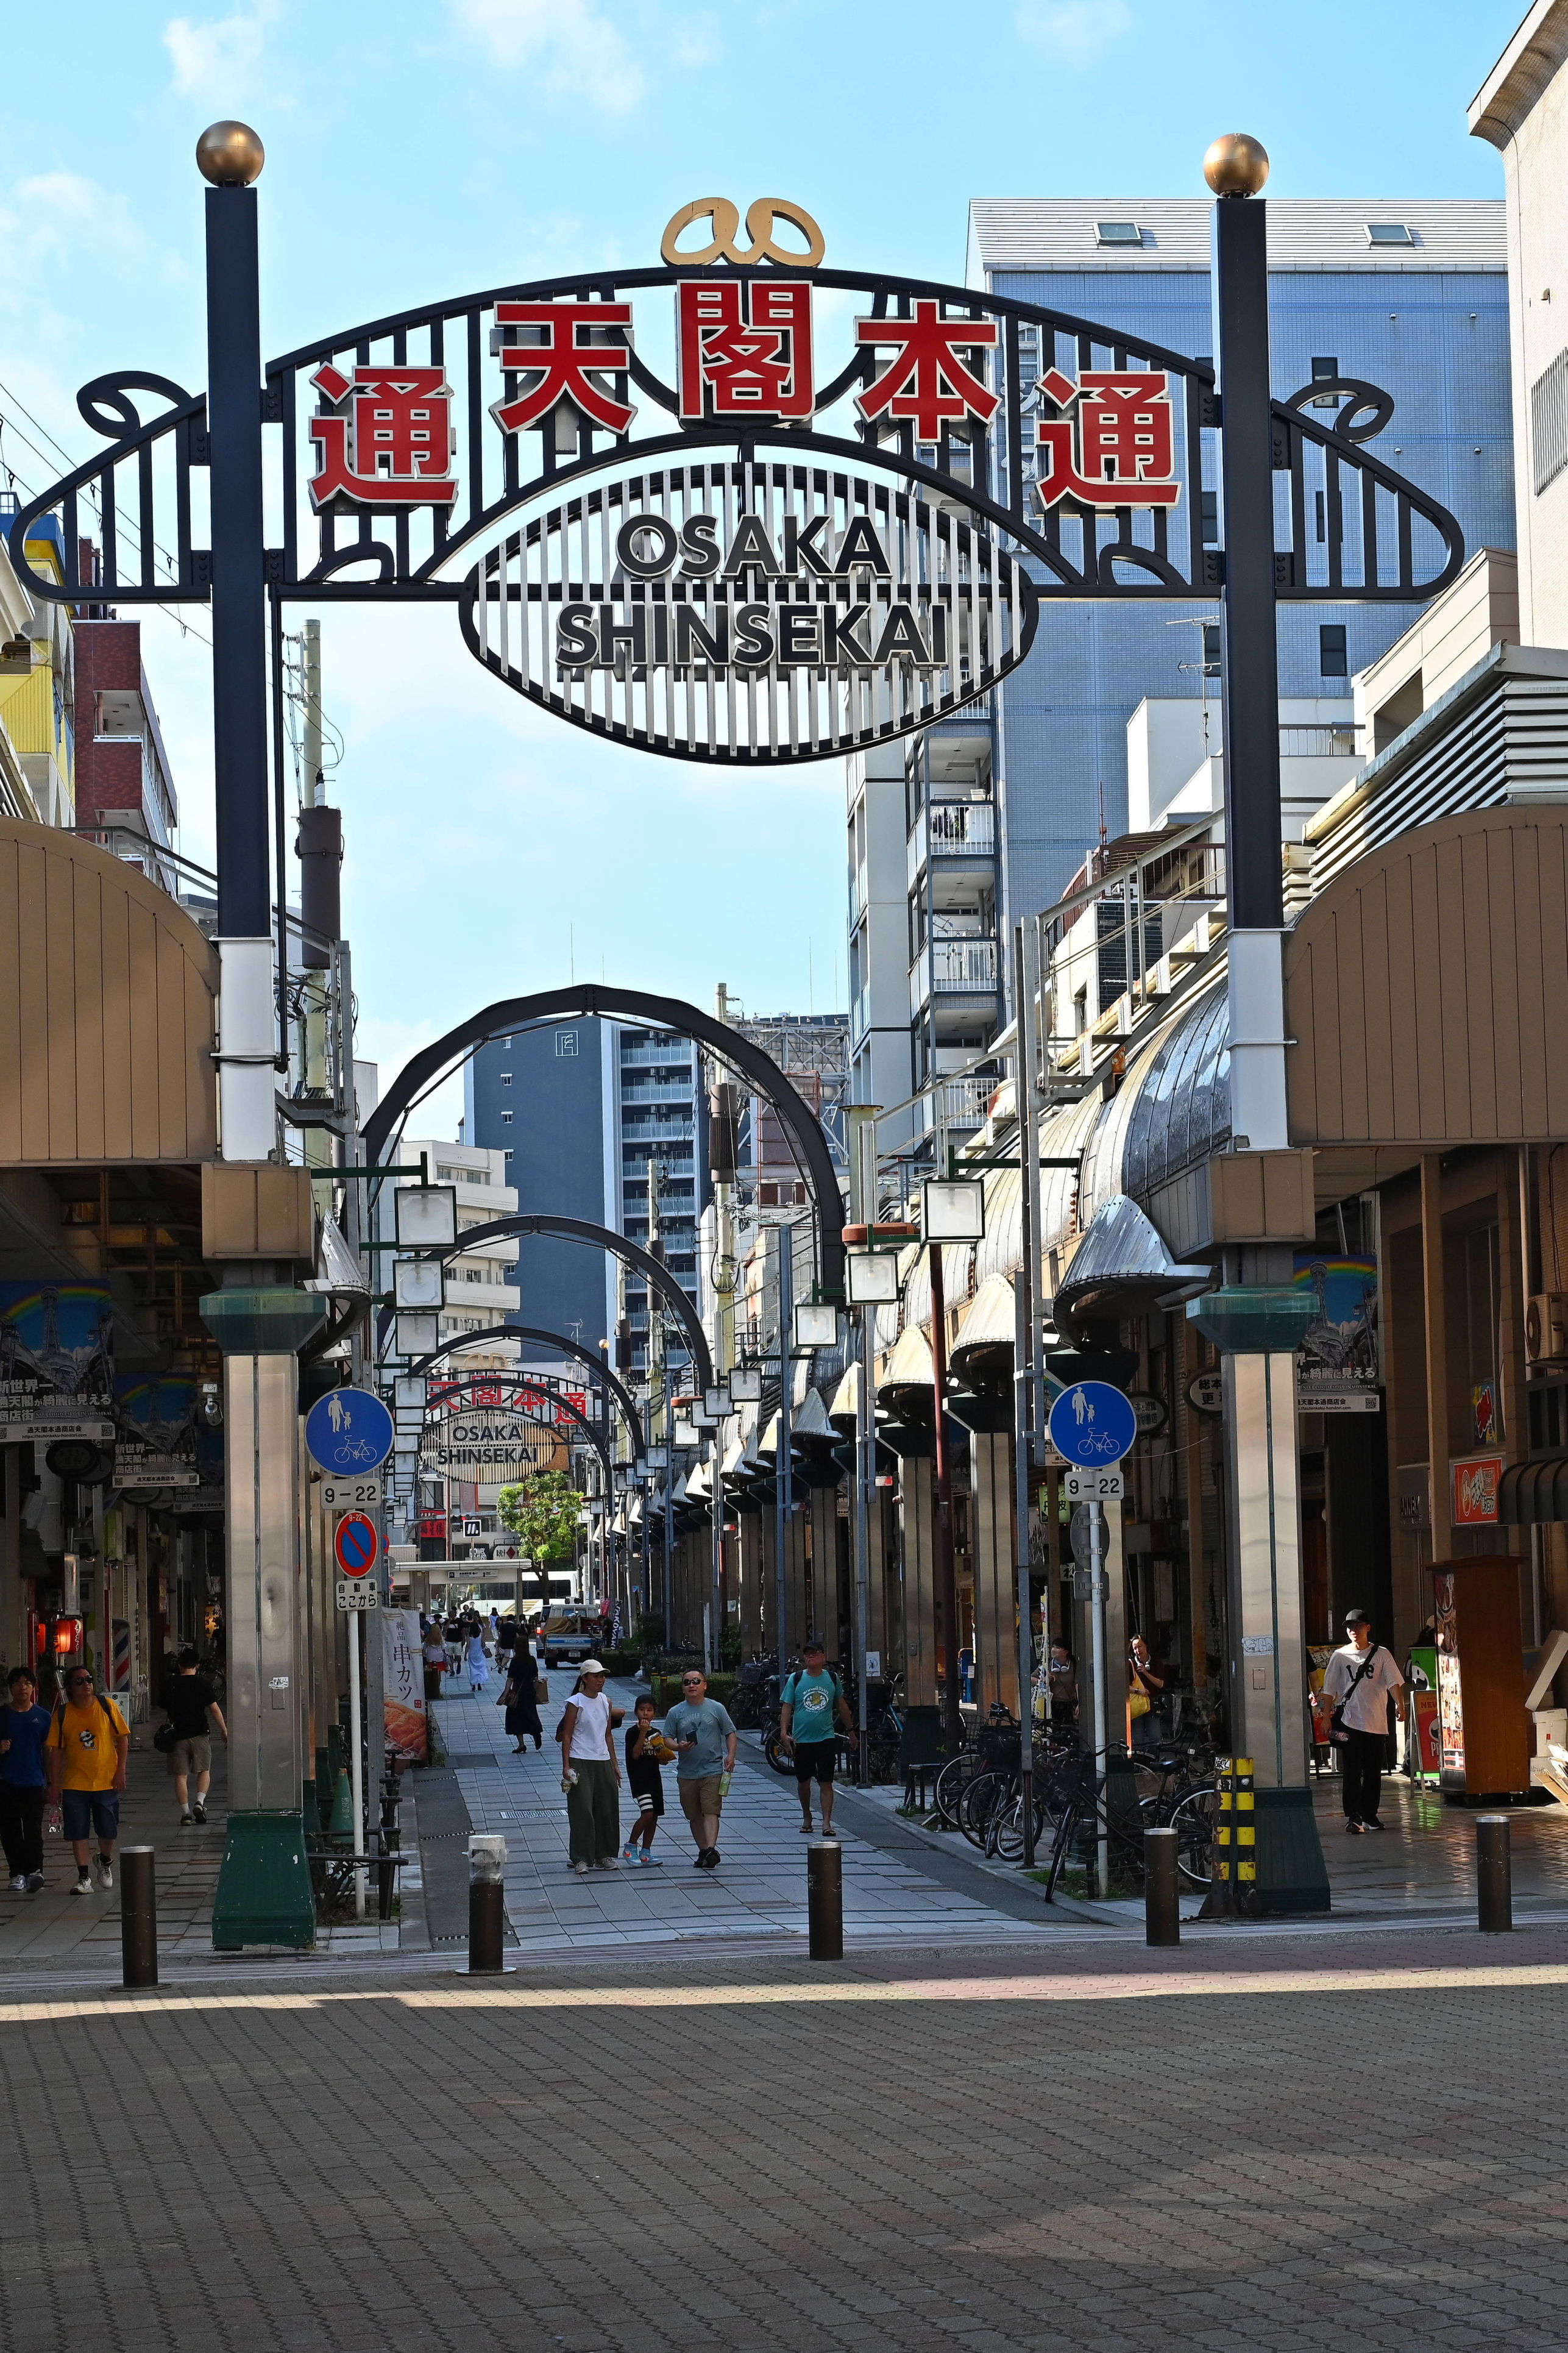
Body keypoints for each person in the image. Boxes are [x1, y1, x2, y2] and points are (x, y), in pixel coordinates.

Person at [45, 1665, 129, 1896]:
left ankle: (104, 1860)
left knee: (108, 1830)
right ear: (70, 1688)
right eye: (80, 1681)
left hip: (106, 1781)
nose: (86, 1684)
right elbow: (57, 1752)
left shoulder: (106, 1706)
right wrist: (54, 1783)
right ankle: (84, 1877)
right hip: (75, 1783)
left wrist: (120, 1771)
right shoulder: (63, 1714)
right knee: (78, 1831)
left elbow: (122, 1739)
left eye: (89, 1679)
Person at [1321, 1607, 1405, 1833]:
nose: (1353, 1631)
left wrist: (1400, 1704)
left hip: (1376, 1722)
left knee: (1373, 1772)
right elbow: (1328, 1689)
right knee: (1351, 1771)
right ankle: (1354, 1816)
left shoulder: (1382, 1654)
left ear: (1368, 1628)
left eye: (1357, 1626)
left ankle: (1370, 1815)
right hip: (1349, 1721)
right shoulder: (1339, 1656)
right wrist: (1327, 1717)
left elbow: (1393, 1682)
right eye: (1349, 1627)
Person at [779, 1639, 856, 1837]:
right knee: (803, 1781)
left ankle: (827, 1822)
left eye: (815, 1653)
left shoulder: (832, 1678)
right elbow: (786, 1707)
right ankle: (807, 1816)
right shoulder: (796, 1679)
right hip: (802, 1740)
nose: (810, 1656)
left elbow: (842, 1706)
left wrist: (852, 1731)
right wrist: (784, 1733)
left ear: (823, 1656)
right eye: (807, 1654)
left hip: (826, 1738)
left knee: (826, 1781)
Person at [664, 1667, 739, 1870]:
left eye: (696, 1681)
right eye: (687, 1682)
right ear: (683, 1688)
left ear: (705, 1685)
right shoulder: (675, 1712)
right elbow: (667, 1738)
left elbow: (730, 1732)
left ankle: (711, 1849)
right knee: (694, 1815)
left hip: (712, 1769)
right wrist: (677, 1746)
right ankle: (705, 1851)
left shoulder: (716, 1708)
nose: (692, 1685)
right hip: (687, 1773)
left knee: (711, 1810)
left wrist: (731, 1756)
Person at [558, 1660, 621, 1872]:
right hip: (580, 1759)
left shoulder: (606, 1701)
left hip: (602, 1760)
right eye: (595, 1676)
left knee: (607, 1809)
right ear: (585, 1678)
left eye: (602, 1676)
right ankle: (581, 1858)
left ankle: (604, 1855)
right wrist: (566, 1766)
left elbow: (608, 1735)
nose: (600, 1680)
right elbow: (566, 1735)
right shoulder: (575, 1703)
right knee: (582, 1810)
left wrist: (614, 1764)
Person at [163, 1645, 228, 1825]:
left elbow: (165, 1707)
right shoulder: (202, 1683)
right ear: (197, 1666)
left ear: (180, 1666)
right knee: (204, 1770)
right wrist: (224, 1729)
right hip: (200, 1733)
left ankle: (185, 1814)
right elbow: (214, 1709)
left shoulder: (171, 1685)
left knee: (181, 1776)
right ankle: (199, 1802)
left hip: (177, 1735)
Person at [0, 1666, 51, 1892]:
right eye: (19, 1683)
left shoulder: (42, 1716)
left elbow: (50, 1751)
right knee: (9, 1831)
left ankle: (35, 1871)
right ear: (11, 1687)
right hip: (6, 1781)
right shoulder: (2, 1715)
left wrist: (52, 1782)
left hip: (34, 1781)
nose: (23, 1687)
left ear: (33, 1687)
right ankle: (17, 1873)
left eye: (28, 1683)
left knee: (33, 1830)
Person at [621, 1693, 667, 1866]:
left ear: (654, 1713)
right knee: (647, 1813)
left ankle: (646, 1851)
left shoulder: (657, 1733)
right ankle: (630, 1846)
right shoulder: (632, 1732)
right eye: (642, 1710)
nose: (645, 1714)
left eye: (649, 1710)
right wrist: (642, 1733)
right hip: (640, 1780)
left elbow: (661, 1758)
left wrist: (666, 1755)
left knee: (654, 1815)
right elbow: (635, 1754)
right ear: (636, 1712)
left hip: (655, 1778)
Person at [1128, 1636, 1169, 1750]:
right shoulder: (1131, 1664)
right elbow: (1124, 1686)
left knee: (1155, 1736)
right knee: (1138, 1736)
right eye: (1135, 1648)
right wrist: (1139, 1691)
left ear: (1146, 1646)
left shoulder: (1156, 1662)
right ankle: (1141, 1761)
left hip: (1152, 1701)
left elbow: (1161, 1684)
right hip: (1137, 1703)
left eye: (1140, 1647)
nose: (1138, 1651)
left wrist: (1146, 1673)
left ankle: (1153, 1759)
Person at [500, 1646, 543, 1754]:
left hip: (517, 1694)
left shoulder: (515, 1661)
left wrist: (505, 1694)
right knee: (531, 1714)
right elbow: (536, 1677)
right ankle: (536, 1732)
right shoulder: (532, 1659)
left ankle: (521, 1744)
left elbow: (510, 1679)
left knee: (515, 1717)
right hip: (530, 1692)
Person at [422, 1618, 447, 1703]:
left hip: (430, 1658)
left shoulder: (428, 1639)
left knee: (431, 1672)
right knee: (438, 1673)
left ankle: (433, 1688)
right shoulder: (441, 1639)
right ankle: (438, 1688)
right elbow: (444, 1647)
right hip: (439, 1658)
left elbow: (424, 1648)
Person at [466, 1622, 491, 1693]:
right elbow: (483, 1644)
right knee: (481, 1668)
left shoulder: (469, 1635)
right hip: (479, 1653)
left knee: (473, 1669)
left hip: (472, 1654)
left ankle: (473, 1684)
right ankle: (480, 1682)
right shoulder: (481, 1635)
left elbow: (468, 1645)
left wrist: (465, 1655)